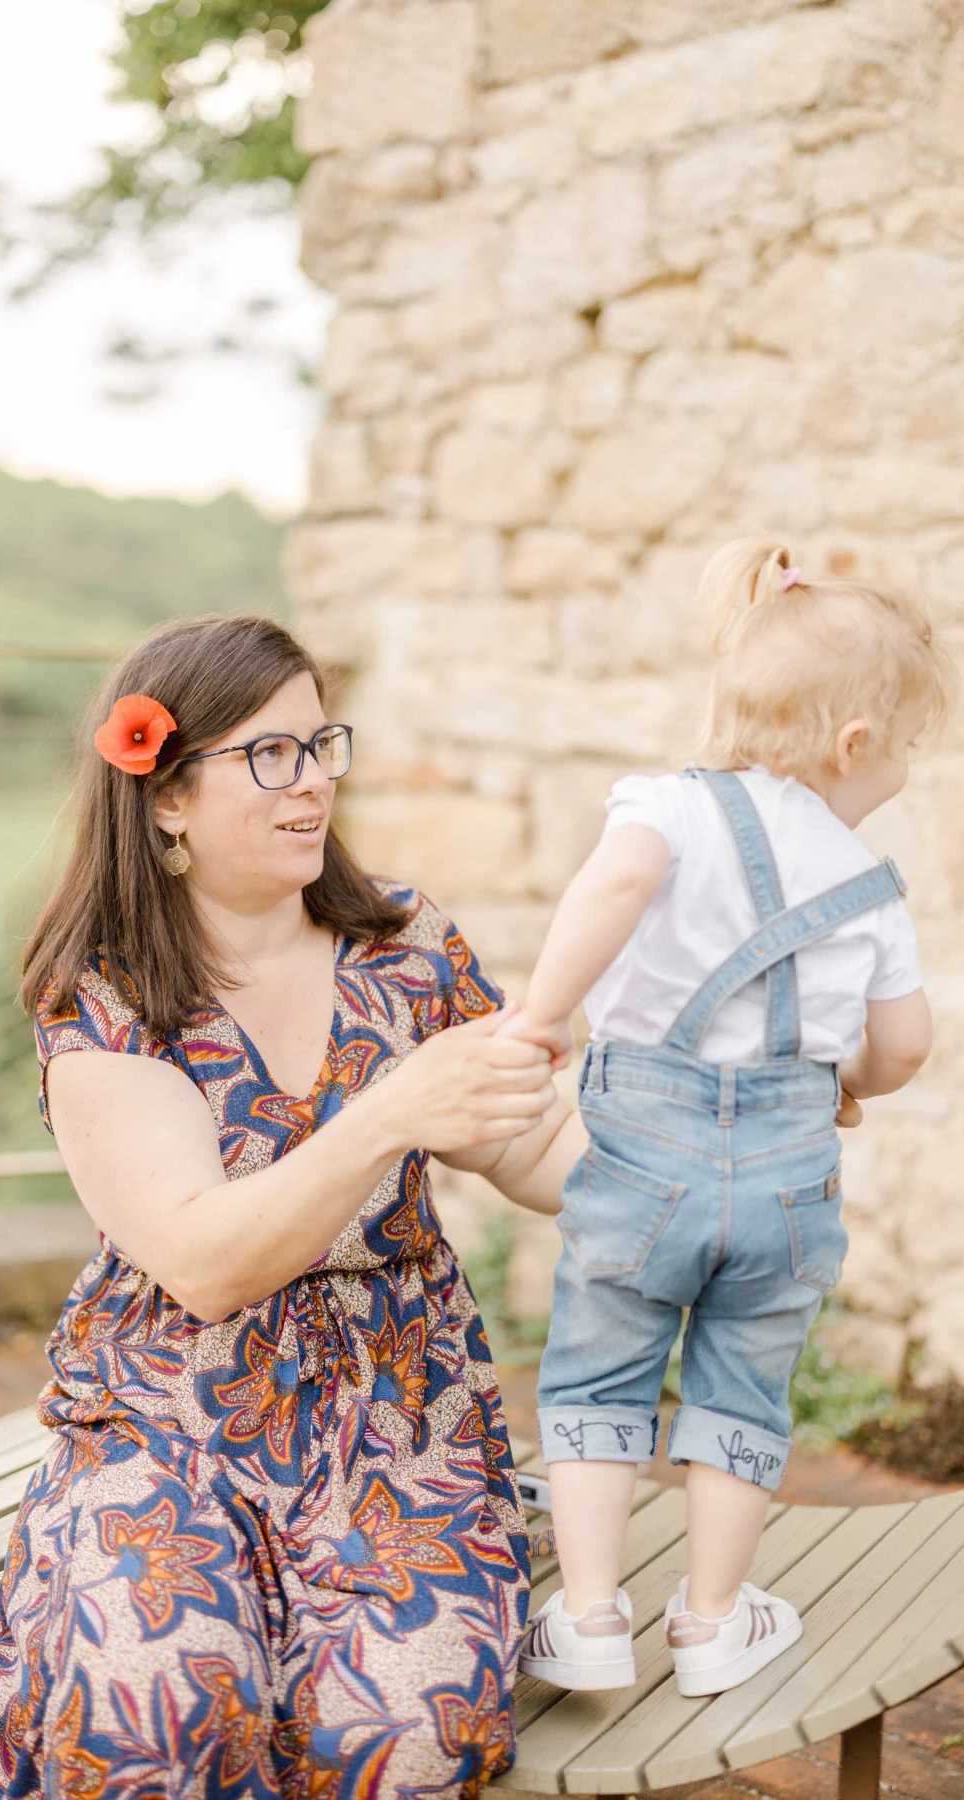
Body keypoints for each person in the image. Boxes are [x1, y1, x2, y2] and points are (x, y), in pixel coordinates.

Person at [0, 612, 582, 1800]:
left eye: (322, 744)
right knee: (161, 1689)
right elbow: (202, 1258)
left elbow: (539, 1140)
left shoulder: (408, 945)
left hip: (402, 1426)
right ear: (167, 797)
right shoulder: (103, 995)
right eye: (272, 755)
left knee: (400, 1737)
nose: (315, 782)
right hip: (168, 1419)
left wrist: (691, 1154)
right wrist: (391, 1111)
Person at [503, 537, 953, 1699]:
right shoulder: (868, 885)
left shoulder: (664, 806)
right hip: (790, 1173)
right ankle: (711, 1623)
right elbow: (904, 1046)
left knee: (600, 1374)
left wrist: (544, 1019)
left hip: (644, 1150)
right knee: (742, 1388)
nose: (903, 770)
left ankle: (594, 1613)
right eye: (904, 749)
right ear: (854, 743)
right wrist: (840, 1083)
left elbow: (610, 887)